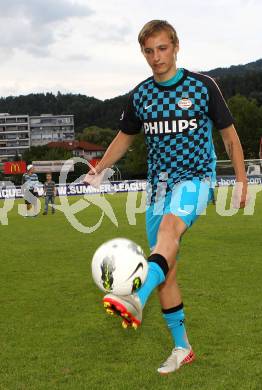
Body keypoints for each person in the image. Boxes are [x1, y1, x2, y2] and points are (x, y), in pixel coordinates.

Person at [85, 20, 248, 374]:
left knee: (169, 232)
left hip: (195, 179)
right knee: (166, 268)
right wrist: (99, 169)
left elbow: (230, 137)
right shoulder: (140, 95)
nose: (156, 57)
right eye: (148, 51)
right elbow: (124, 138)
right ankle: (182, 347)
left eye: (162, 48)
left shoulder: (203, 87)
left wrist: (241, 181)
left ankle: (135, 296)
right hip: (157, 187)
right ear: (142, 53)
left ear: (175, 47)